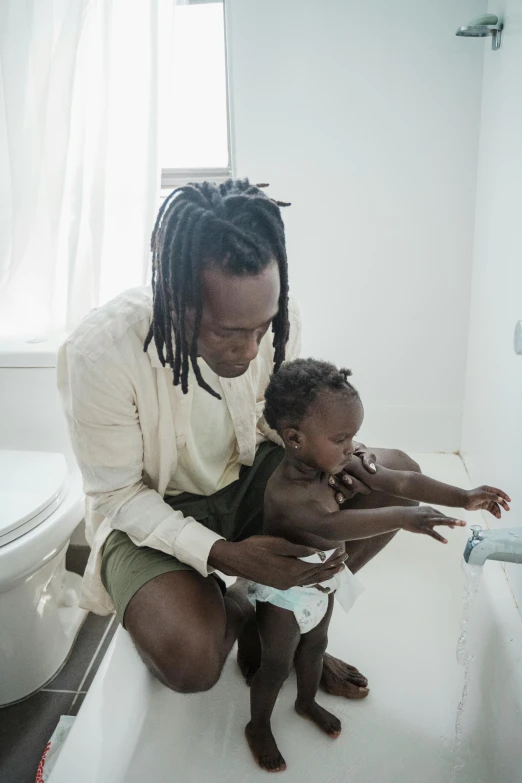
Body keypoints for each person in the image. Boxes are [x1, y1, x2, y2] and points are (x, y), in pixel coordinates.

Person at [58, 179, 428, 697]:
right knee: (190, 664)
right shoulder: (101, 355)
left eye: (262, 328)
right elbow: (119, 496)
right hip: (151, 512)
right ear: (177, 301)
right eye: (228, 333)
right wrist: (224, 556)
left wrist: (335, 459)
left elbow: (276, 419)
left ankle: (293, 624)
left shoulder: (275, 322)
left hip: (250, 479)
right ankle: (240, 605)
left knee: (396, 478)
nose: (253, 349)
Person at [245, 358, 510, 773]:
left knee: (315, 646)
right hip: (286, 592)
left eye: (353, 435)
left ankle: (306, 702)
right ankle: (257, 724)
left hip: (323, 582)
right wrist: (407, 517)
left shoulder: (331, 461)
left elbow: (399, 482)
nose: (353, 446)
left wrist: (463, 496)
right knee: (276, 664)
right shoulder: (286, 493)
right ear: (295, 439)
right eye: (341, 437)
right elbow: (333, 524)